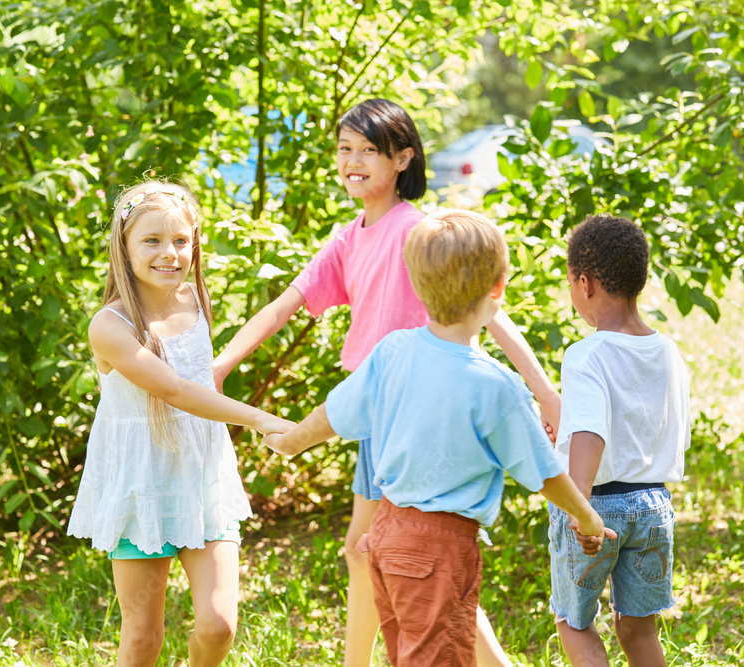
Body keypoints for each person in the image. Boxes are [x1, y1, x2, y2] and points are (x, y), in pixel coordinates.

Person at [213, 98, 560, 667]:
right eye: (344, 150)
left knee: (393, 552)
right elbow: (283, 306)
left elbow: (492, 313)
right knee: (375, 551)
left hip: (416, 413)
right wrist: (222, 365)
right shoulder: (350, 236)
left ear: (402, 159)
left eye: (367, 151)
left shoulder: (419, 232)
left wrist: (545, 393)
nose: (352, 162)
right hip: (379, 412)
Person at [262, 209, 614, 666]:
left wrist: (290, 442)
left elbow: (335, 412)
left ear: (416, 283)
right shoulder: (496, 386)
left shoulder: (392, 352)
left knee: (412, 653)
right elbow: (544, 473)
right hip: (439, 546)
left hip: (385, 533)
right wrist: (586, 517)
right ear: (498, 290)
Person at [67, 180, 293, 667]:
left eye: (181, 241)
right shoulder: (110, 326)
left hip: (202, 479)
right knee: (144, 637)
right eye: (151, 240)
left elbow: (200, 378)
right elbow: (176, 390)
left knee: (218, 626)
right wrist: (263, 420)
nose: (169, 253)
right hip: (141, 483)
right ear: (123, 247)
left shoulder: (192, 300)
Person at [550, 214, 691, 667]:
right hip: (654, 506)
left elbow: (591, 430)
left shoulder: (587, 353)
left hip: (597, 507)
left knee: (574, 623)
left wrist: (579, 507)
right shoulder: (667, 350)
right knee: (637, 626)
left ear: (585, 283)